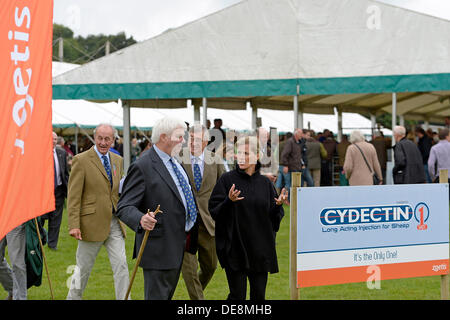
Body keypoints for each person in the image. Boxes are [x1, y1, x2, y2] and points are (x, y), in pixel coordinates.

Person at [116, 117, 199, 300]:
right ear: (164, 137)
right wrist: (140, 219)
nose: (183, 141)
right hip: (158, 248)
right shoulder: (143, 165)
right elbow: (124, 206)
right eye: (180, 136)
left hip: (179, 245)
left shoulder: (175, 162)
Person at [209, 136, 286, 300]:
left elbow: (273, 219)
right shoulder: (227, 180)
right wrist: (228, 201)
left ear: (257, 155)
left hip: (260, 250)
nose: (241, 157)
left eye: (245, 153)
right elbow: (214, 211)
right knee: (237, 296)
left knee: (259, 297)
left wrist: (278, 206)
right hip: (235, 250)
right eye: (238, 153)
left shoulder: (266, 184)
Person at [66, 123, 129, 300]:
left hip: (114, 223)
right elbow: (73, 196)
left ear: (113, 140)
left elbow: (116, 191)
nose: (103, 142)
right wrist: (73, 225)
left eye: (107, 139)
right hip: (90, 225)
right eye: (100, 138)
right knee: (82, 270)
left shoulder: (118, 160)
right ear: (95, 138)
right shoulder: (81, 160)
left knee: (122, 265)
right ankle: (72, 298)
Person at [180, 124, 225, 300]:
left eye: (197, 139)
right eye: (190, 138)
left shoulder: (216, 160)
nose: (193, 143)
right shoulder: (177, 158)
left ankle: (195, 292)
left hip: (209, 223)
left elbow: (224, 186)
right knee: (189, 271)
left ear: (206, 141)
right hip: (185, 224)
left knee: (211, 267)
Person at [42, 132, 69, 250]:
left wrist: (68, 191)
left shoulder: (62, 153)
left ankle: (52, 245)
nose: (53, 141)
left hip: (59, 191)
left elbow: (65, 174)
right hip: (44, 193)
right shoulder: (40, 153)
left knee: (56, 220)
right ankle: (41, 239)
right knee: (41, 218)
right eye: (51, 139)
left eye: (55, 139)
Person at [0, 225, 27, 300]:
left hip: (16, 220)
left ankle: (19, 297)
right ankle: (13, 289)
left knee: (17, 262)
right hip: (2, 218)